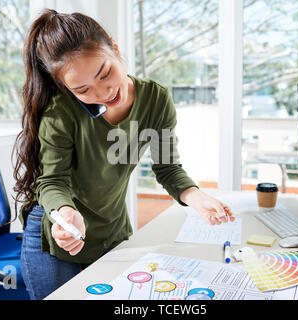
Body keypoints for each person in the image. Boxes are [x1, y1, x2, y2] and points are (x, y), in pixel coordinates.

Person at [13, 9, 235, 300]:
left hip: (110, 229)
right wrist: (66, 216)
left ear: (115, 49)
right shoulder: (60, 112)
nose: (103, 92)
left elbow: (168, 168)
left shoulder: (155, 100)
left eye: (105, 73)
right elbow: (52, 182)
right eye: (82, 90)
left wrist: (197, 198)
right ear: (66, 88)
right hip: (57, 231)